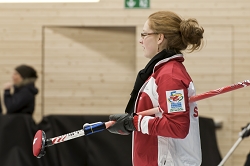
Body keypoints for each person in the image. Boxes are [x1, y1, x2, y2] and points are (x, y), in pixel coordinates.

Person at [107, 11, 204, 166]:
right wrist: (130, 122)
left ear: (160, 38)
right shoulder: (161, 72)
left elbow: (177, 127)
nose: (140, 40)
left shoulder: (170, 76)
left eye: (144, 34)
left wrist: (134, 122)